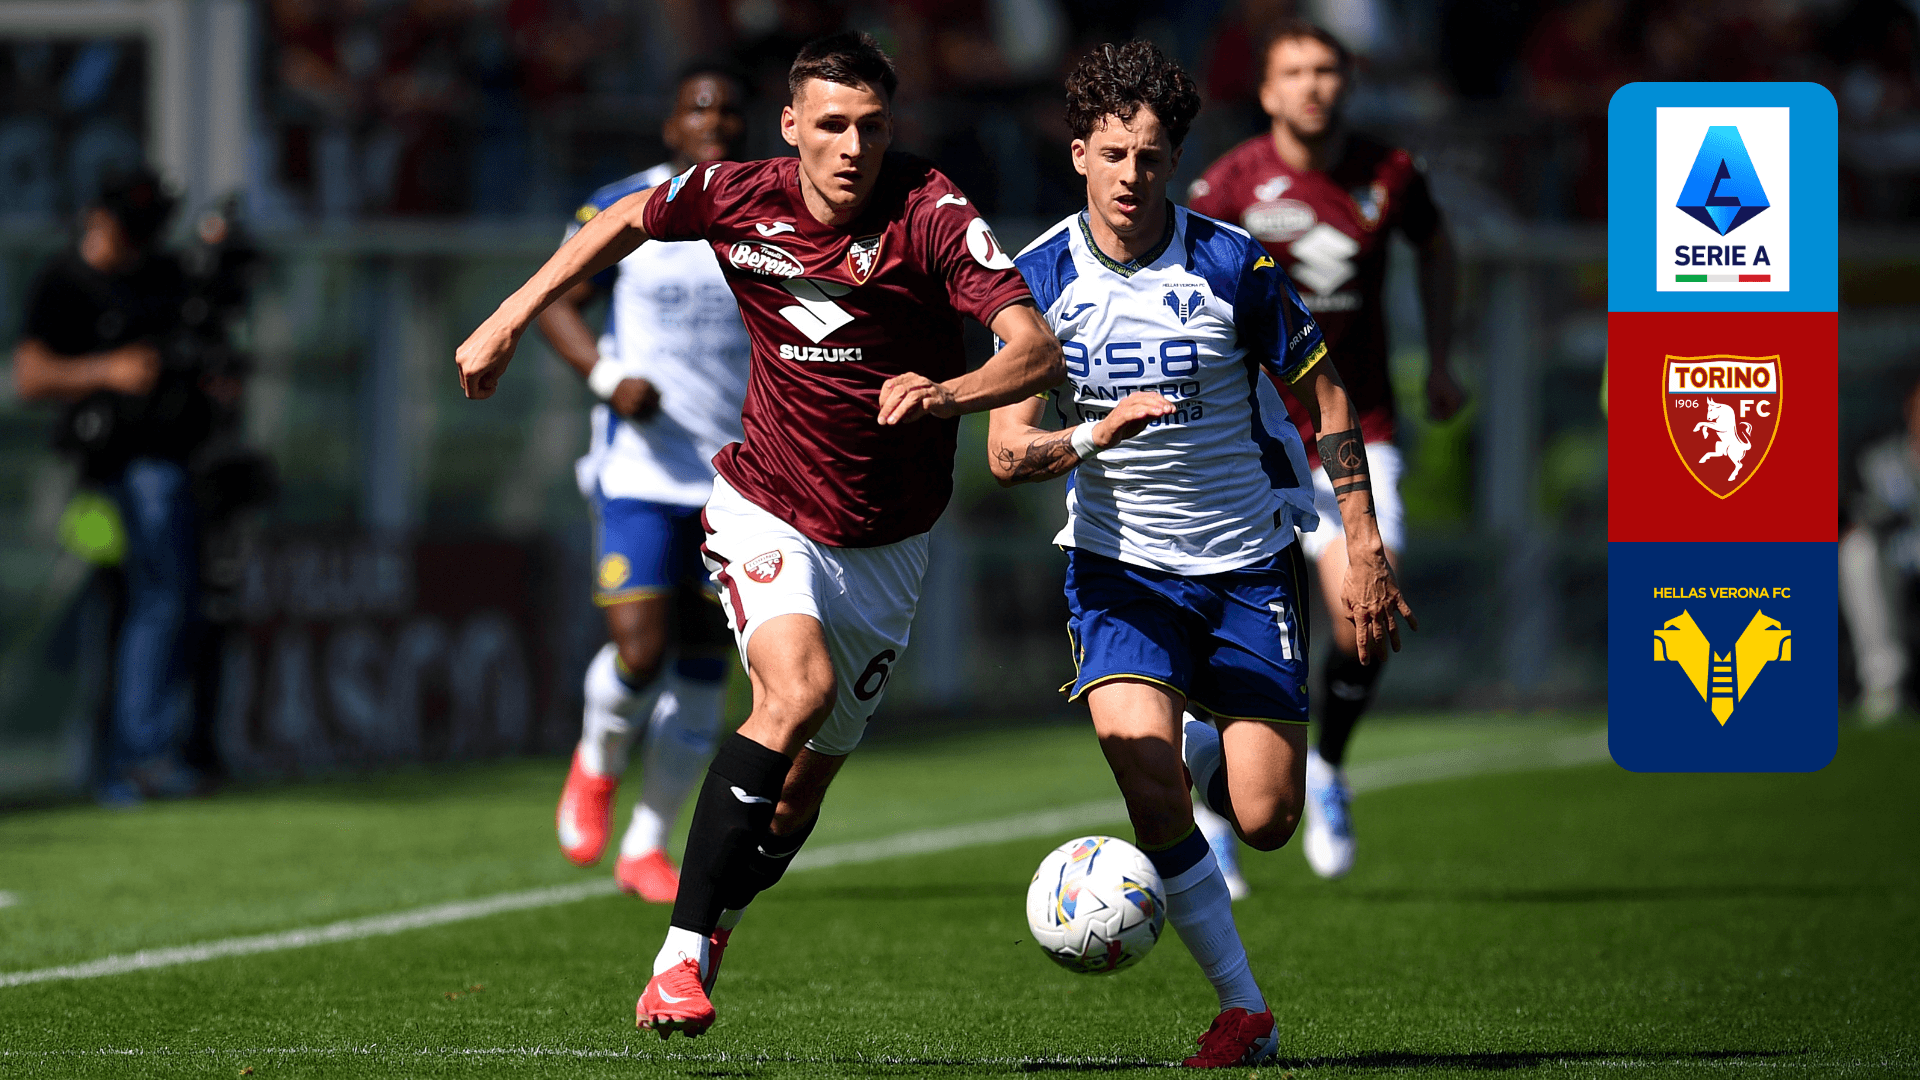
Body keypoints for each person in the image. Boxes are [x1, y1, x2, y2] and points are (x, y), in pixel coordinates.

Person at [454, 32, 1062, 1039]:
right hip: (766, 503)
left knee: (792, 808)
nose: (853, 147)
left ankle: (713, 933)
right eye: (832, 125)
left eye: (872, 127)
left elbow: (1035, 350)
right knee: (794, 692)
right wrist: (509, 318)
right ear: (791, 127)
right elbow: (624, 219)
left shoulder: (932, 211)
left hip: (890, 542)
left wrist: (947, 393)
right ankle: (676, 959)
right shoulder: (738, 195)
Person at [988, 41, 1413, 1068]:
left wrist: (1362, 541)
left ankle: (1214, 747)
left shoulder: (1232, 264)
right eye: (1114, 154)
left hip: (1247, 565)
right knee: (1144, 770)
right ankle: (1244, 1009)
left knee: (1266, 821)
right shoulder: (1034, 279)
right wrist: (1097, 433)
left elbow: (1327, 396)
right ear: (1080, 155)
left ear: (1176, 159)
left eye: (1152, 156)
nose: (1132, 175)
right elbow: (1006, 453)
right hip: (1119, 569)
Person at [1186, 19, 1463, 882]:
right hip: (1251, 436)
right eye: (1295, 71)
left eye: (1327, 69)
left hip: (1357, 425)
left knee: (1362, 616)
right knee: (1220, 624)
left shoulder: (1392, 172)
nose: (1314, 85)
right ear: (1267, 91)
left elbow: (1437, 247)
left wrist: (1443, 359)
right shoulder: (1229, 185)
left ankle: (1330, 768)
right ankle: (1213, 809)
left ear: (1348, 81)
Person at [542, 61, 753, 904]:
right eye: (698, 109)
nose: (713, 122)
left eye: (728, 110)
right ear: (671, 127)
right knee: (641, 647)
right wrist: (606, 378)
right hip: (639, 468)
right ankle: (596, 762)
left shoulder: (773, 215)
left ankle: (647, 845)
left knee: (704, 668)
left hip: (735, 480)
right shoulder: (624, 206)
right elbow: (556, 297)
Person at [12, 168, 207, 806]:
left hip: (163, 462)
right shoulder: (64, 280)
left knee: (153, 603)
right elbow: (30, 377)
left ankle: (133, 755)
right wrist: (108, 371)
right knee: (112, 603)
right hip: (91, 482)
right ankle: (111, 756)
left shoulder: (164, 274)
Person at [1841, 377, 1920, 724]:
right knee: (1857, 550)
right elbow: (1869, 510)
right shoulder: (1884, 460)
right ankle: (1883, 684)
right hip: (1899, 553)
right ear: (1909, 411)